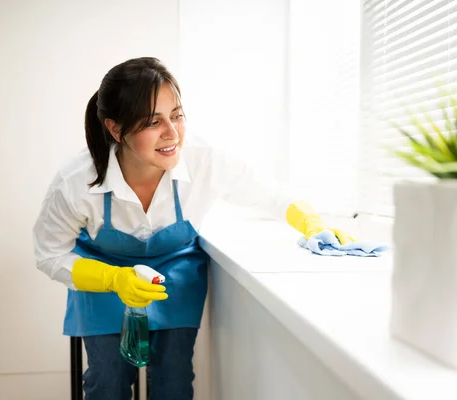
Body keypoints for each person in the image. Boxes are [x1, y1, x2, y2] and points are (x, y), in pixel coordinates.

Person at [32, 57, 355, 400]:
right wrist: (113, 280)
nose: (172, 133)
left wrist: (312, 223)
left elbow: (269, 195)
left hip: (175, 275)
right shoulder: (76, 182)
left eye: (177, 115)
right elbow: (49, 253)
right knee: (106, 382)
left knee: (173, 382)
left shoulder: (205, 160)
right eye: (152, 122)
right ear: (115, 128)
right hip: (103, 278)